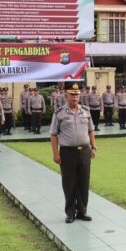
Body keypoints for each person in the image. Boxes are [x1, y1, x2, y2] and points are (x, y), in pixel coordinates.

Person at [50, 83, 97, 224]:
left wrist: (94, 147)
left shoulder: (86, 111)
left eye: (77, 94)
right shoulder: (59, 113)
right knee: (69, 183)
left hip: (84, 151)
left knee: (84, 182)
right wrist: (55, 154)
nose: (75, 97)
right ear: (66, 96)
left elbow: (91, 130)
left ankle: (82, 211)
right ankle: (70, 213)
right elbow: (53, 135)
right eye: (72, 94)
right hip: (67, 152)